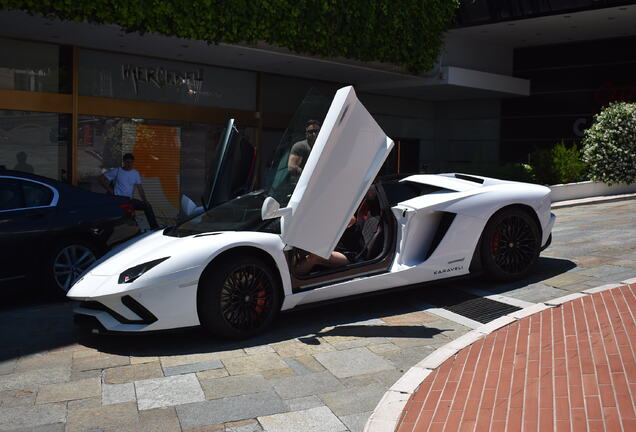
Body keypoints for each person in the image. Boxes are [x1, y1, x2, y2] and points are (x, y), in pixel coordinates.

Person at [100, 153, 159, 230]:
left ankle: (154, 228)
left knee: (147, 206)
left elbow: (140, 189)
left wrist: (145, 201)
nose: (129, 164)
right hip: (118, 200)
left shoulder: (135, 173)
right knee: (125, 219)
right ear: (124, 162)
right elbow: (101, 178)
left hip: (129, 200)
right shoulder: (117, 171)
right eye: (127, 162)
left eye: (131, 162)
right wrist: (111, 191)